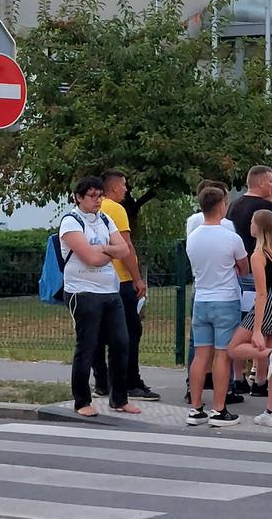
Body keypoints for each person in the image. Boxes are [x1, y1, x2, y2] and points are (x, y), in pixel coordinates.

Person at [60, 176, 138, 418]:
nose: (97, 200)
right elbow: (89, 258)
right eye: (92, 196)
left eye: (100, 195)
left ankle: (119, 398)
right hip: (83, 291)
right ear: (79, 197)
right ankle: (82, 399)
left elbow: (123, 249)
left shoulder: (104, 219)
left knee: (121, 343)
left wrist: (103, 249)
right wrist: (107, 252)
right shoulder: (71, 222)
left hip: (109, 290)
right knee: (88, 345)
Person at [226, 209, 272, 427]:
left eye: (252, 222)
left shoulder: (259, 255)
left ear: (258, 226)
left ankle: (269, 353)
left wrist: (257, 329)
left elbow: (261, 293)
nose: (249, 224)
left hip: (268, 304)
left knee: (234, 347)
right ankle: (271, 411)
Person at [91, 170, 158, 402]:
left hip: (97, 281)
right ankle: (130, 381)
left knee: (98, 334)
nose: (126, 190)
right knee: (130, 332)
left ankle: (102, 382)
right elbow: (125, 247)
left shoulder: (92, 210)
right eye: (124, 185)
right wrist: (137, 278)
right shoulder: (116, 210)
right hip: (120, 280)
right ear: (113, 188)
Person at [185, 186, 248, 427]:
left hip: (201, 298)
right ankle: (219, 409)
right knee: (223, 355)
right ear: (221, 205)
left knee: (201, 355)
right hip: (226, 299)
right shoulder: (231, 237)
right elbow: (243, 267)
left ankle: (195, 407)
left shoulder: (194, 237)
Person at [227, 165, 272, 398]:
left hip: (238, 273)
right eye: (270, 181)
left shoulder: (234, 206)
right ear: (261, 183)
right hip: (262, 273)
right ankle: (260, 380)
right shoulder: (267, 208)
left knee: (240, 327)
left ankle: (237, 378)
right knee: (264, 327)